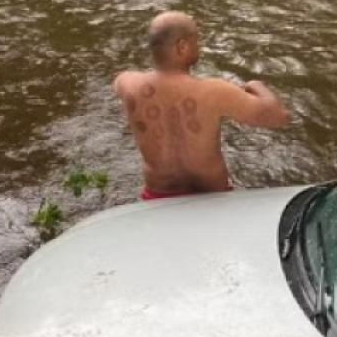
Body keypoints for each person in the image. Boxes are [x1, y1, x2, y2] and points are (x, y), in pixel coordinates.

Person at [113, 11, 290, 200]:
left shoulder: (127, 84)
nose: (200, 47)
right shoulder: (215, 92)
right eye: (196, 40)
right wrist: (255, 85)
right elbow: (279, 117)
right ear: (182, 46)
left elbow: (118, 86)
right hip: (213, 199)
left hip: (158, 198)